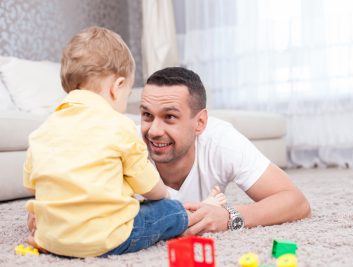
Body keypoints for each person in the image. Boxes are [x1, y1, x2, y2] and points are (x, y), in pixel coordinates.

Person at [23, 27, 205, 258]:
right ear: (117, 86)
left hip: (53, 237)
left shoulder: (42, 131)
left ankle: (55, 242)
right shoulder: (120, 126)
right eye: (128, 94)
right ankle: (181, 221)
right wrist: (166, 196)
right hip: (107, 239)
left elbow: (32, 186)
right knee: (167, 211)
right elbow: (151, 189)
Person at [139, 67, 311, 235]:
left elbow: (297, 203)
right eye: (147, 115)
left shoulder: (221, 141)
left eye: (169, 117)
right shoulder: (125, 145)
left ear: (200, 122)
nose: (154, 131)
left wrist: (229, 216)